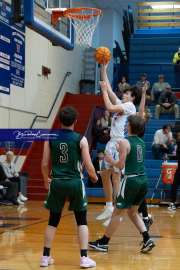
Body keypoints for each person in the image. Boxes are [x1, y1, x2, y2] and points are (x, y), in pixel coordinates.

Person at [40, 106, 98, 268]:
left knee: (53, 221)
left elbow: (44, 163)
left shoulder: (50, 138)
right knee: (81, 221)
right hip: (74, 182)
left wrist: (46, 180)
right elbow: (88, 164)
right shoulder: (81, 139)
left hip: (57, 181)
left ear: (60, 120)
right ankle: (84, 258)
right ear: (75, 120)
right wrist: (94, 176)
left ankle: (45, 256)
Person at [88, 115, 155, 253]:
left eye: (127, 123)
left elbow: (120, 165)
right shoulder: (141, 141)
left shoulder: (124, 141)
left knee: (117, 214)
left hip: (131, 181)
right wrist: (122, 152)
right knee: (132, 213)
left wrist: (111, 160)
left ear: (129, 126)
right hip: (143, 181)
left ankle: (104, 243)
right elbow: (132, 156)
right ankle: (147, 238)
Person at [96, 62, 141, 228]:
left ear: (132, 98)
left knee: (116, 178)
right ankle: (108, 207)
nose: (124, 95)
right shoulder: (123, 103)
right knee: (104, 174)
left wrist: (103, 92)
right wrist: (104, 71)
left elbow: (108, 105)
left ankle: (117, 211)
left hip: (118, 145)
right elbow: (109, 89)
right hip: (110, 143)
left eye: (127, 93)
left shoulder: (129, 106)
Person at [136, 82, 153, 231]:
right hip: (133, 156)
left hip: (135, 159)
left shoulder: (140, 125)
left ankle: (146, 217)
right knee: (138, 194)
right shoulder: (135, 125)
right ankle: (146, 217)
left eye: (138, 114)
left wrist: (143, 94)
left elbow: (141, 109)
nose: (136, 113)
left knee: (138, 193)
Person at [166, 132, 180, 211]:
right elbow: (178, 156)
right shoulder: (178, 146)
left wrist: (175, 141)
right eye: (178, 136)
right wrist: (169, 158)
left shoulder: (178, 143)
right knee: (174, 186)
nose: (179, 137)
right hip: (179, 169)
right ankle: (172, 203)